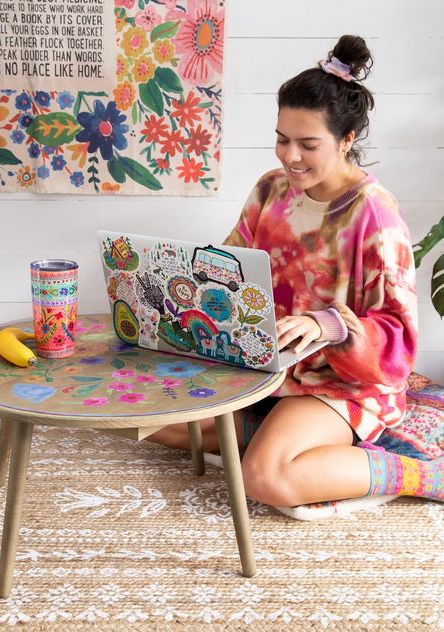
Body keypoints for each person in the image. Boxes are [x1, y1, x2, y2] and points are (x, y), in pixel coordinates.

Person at [148, 35, 443, 509]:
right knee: (148, 419)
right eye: (282, 140)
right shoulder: (271, 190)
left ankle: (422, 470)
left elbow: (397, 338)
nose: (290, 157)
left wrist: (326, 325)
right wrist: (173, 281)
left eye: (308, 144)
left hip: (343, 382)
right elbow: (230, 267)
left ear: (347, 141)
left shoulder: (375, 218)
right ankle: (268, 428)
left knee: (265, 479)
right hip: (269, 366)